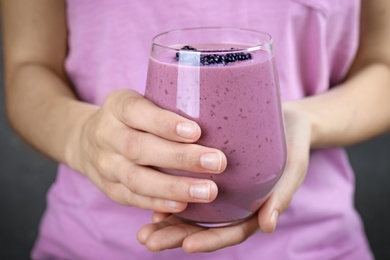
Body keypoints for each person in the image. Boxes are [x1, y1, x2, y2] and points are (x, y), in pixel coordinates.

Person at [1, 0, 389, 259]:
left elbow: (383, 64)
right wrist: (81, 137)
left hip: (313, 245)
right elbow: (28, 67)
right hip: (91, 243)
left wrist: (307, 121)